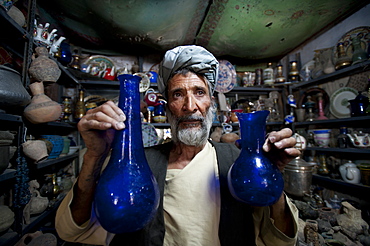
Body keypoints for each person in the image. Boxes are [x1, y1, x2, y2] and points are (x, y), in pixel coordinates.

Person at [56, 45, 300, 246]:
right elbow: (72, 230)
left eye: (199, 92)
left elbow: (281, 241)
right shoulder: (136, 167)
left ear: (211, 104)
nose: (190, 106)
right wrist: (94, 156)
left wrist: (273, 177)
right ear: (166, 106)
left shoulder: (238, 165)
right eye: (178, 94)